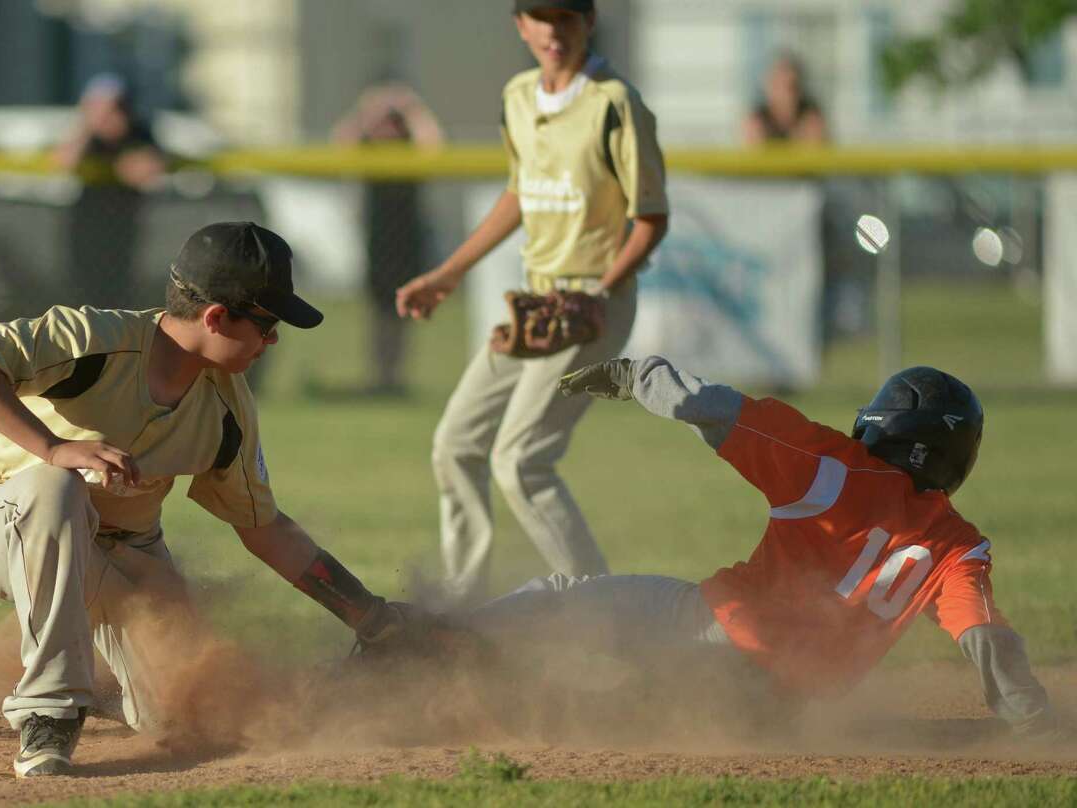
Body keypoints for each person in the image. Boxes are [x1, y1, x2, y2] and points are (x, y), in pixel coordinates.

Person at [0, 222, 433, 777]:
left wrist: (370, 615)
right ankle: (49, 709)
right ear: (215, 317)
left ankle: (100, 688)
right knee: (57, 483)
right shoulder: (95, 340)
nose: (274, 340)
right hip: (4, 522)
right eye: (266, 324)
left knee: (194, 713)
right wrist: (52, 447)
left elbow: (263, 528)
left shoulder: (227, 407)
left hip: (124, 556)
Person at [461, 356, 1066, 739]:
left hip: (716, 629)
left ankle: (436, 643)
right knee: (608, 713)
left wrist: (633, 374)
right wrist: (1033, 719)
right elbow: (985, 638)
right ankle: (485, 706)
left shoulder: (831, 465)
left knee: (563, 598)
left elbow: (709, 407)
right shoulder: (959, 546)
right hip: (782, 713)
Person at [395, 0, 670, 605]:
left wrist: (601, 292)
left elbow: (650, 220)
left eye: (567, 16)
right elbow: (520, 193)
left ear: (588, 23)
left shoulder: (615, 104)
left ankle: (609, 614)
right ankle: (462, 609)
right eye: (540, 17)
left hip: (593, 303)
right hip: (535, 306)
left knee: (520, 460)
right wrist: (447, 274)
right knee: (456, 444)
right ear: (521, 25)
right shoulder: (518, 96)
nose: (554, 31)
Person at [325, 83, 444, 397]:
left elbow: (433, 144)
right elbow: (341, 142)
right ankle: (379, 376)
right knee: (378, 311)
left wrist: (411, 109)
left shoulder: (411, 150)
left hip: (408, 238)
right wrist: (367, 112)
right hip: (377, 240)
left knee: (404, 309)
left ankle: (395, 377)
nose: (387, 127)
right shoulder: (369, 151)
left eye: (393, 122)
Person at [54, 74, 167, 308]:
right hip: (86, 223)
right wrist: (89, 123)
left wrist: (128, 163)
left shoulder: (137, 131)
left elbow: (147, 169)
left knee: (117, 289)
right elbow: (64, 161)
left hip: (122, 224)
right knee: (82, 287)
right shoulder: (87, 135)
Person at [742, 52, 827, 145]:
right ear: (768, 86)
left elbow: (815, 153)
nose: (785, 94)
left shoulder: (810, 118)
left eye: (791, 86)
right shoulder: (756, 120)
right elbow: (751, 152)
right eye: (778, 85)